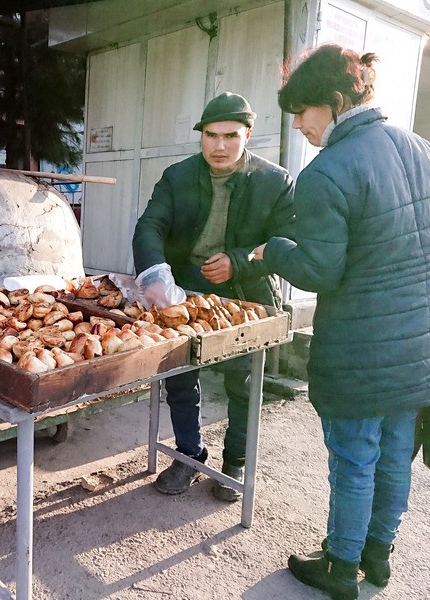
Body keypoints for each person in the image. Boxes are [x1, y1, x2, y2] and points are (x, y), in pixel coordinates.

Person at [252, 44, 430, 600]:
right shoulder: (425, 152)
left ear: (338, 102)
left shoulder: (327, 172)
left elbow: (320, 269)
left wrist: (273, 250)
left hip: (362, 352)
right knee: (396, 457)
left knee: (354, 459)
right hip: (424, 346)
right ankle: (379, 558)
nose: (299, 125)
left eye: (304, 111)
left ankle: (341, 568)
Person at [132, 92, 296, 501]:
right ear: (200, 136)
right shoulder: (178, 176)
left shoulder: (275, 181)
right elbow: (149, 225)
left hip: (248, 292)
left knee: (242, 382)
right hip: (186, 289)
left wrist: (239, 262)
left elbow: (290, 241)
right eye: (210, 135)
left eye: (230, 136)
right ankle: (189, 454)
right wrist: (154, 273)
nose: (219, 146)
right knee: (180, 377)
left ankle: (234, 463)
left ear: (248, 135)